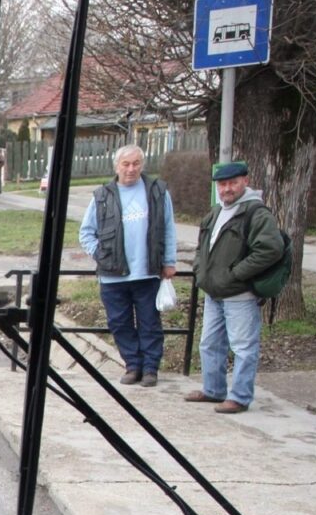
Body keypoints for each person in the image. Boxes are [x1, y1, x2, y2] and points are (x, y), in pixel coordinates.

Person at [184, 160, 283, 414]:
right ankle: (213, 389)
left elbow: (270, 249)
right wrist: (200, 269)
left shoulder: (256, 213)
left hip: (240, 293)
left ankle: (239, 396)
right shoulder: (216, 212)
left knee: (243, 346)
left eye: (232, 183)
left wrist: (236, 274)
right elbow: (202, 246)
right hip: (214, 291)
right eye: (222, 184)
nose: (227, 189)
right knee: (209, 343)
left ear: (245, 182)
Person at [78, 145, 178, 387]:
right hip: (113, 276)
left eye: (136, 163)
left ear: (142, 165)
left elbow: (168, 228)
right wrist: (101, 256)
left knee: (149, 323)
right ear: (117, 166)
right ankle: (133, 366)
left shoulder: (157, 191)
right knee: (119, 323)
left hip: (147, 273)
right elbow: (86, 234)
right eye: (126, 164)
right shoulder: (102, 195)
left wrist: (170, 261)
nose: (131, 169)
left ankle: (151, 368)